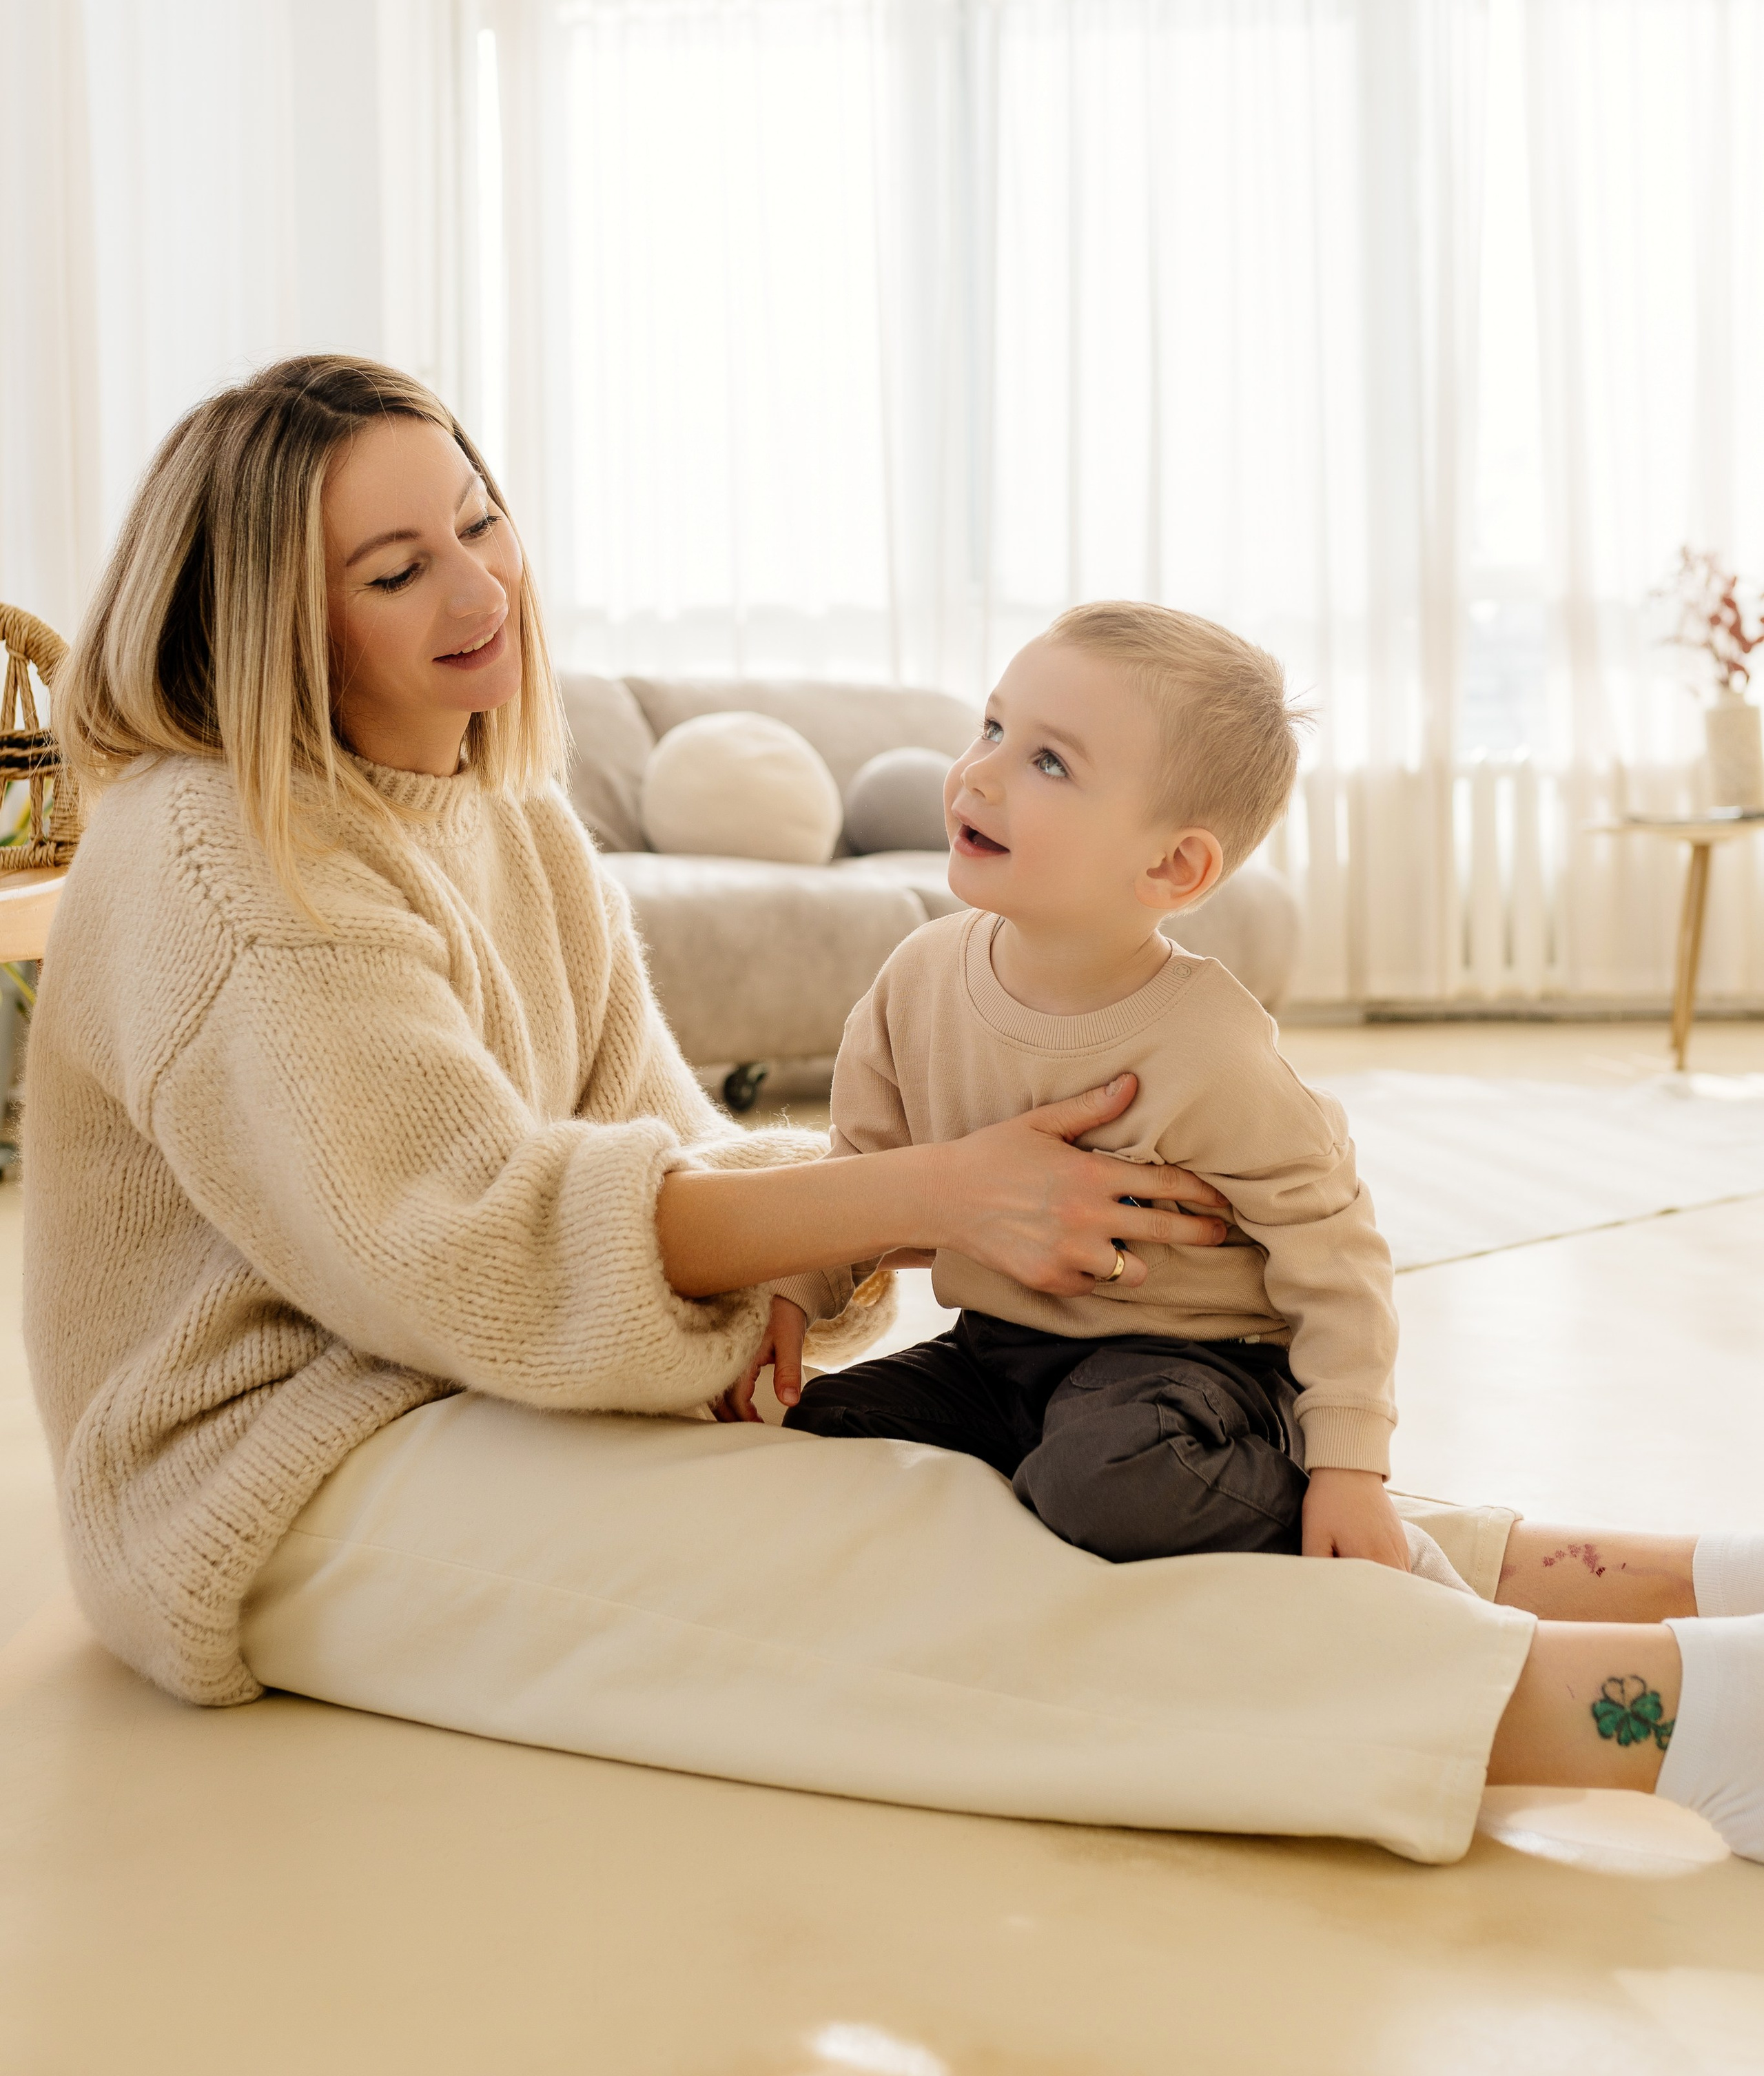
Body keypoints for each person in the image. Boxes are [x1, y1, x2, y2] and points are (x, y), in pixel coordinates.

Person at [21, 354, 1764, 1870]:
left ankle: (1662, 1574)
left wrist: (814, 1261)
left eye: (479, 521)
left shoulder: (508, 816)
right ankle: (1658, 1719)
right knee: (888, 1560)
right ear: (266, 616)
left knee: (1085, 1476)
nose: (480, 587)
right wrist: (935, 1197)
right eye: (399, 568)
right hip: (275, 1468)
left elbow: (656, 1145)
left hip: (467, 1381)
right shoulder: (218, 850)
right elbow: (468, 1248)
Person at [757, 604, 1452, 1586]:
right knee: (824, 1434)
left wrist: (1348, 1464)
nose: (981, 771)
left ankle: (1314, 1531)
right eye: (993, 728)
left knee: (1106, 1477)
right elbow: (868, 1171)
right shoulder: (917, 977)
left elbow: (1332, 1248)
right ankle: (1038, 1512)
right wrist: (795, 1292)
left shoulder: (1210, 1043)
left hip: (1188, 1370)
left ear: (1172, 865)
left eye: (1049, 763)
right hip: (994, 1353)